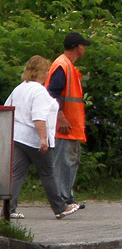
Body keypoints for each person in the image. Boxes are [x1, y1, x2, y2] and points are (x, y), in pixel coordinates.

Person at [6, 55, 80, 219]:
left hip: (18, 137)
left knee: (16, 173)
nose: (48, 74)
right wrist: (43, 139)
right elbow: (38, 117)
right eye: (46, 70)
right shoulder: (39, 91)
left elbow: (8, 108)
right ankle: (60, 208)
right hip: (34, 139)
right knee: (48, 174)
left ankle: (8, 208)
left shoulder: (19, 88)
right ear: (41, 72)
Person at [48, 31, 91, 210]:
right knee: (63, 161)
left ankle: (67, 197)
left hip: (70, 126)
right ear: (77, 47)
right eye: (83, 46)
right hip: (64, 126)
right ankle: (62, 199)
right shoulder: (63, 65)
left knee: (70, 160)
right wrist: (61, 117)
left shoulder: (67, 66)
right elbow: (51, 93)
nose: (84, 49)